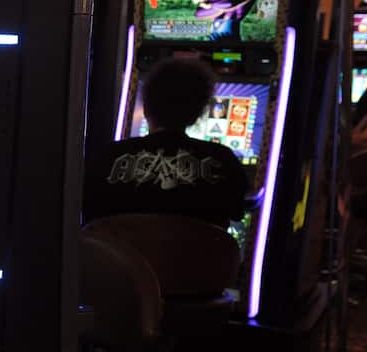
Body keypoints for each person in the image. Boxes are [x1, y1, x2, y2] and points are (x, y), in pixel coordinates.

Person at [85, 57, 248, 229]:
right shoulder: (223, 160)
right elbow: (237, 212)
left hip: (119, 255)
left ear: (146, 108)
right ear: (197, 114)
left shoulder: (107, 157)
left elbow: (89, 216)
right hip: (194, 256)